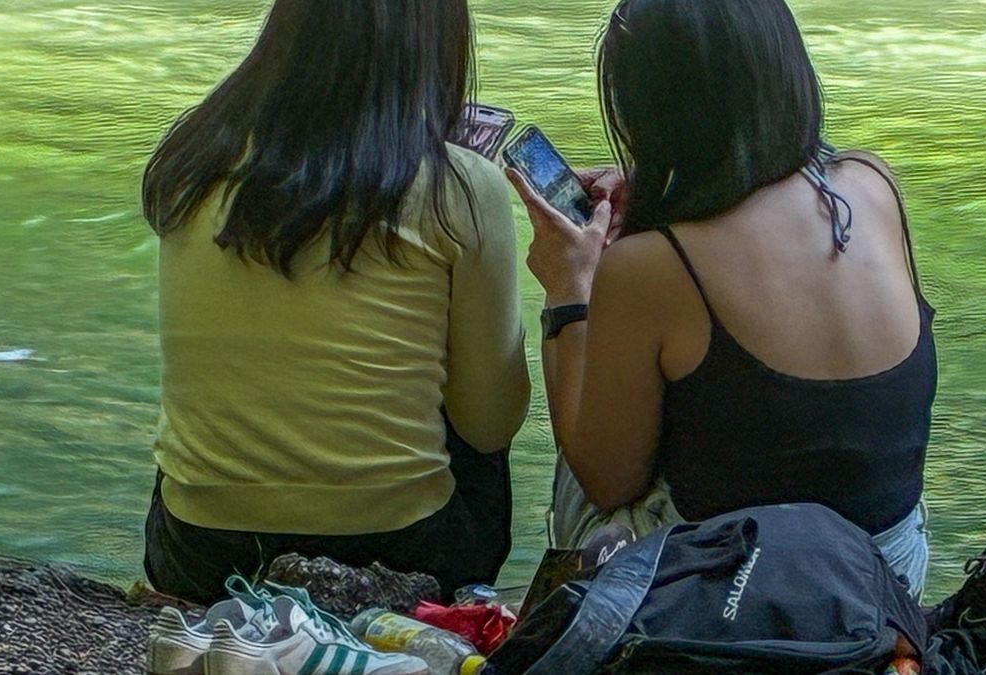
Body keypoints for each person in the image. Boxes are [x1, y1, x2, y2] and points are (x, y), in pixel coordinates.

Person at [509, 0, 936, 598]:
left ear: (650, 110)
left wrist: (567, 290)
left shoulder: (652, 267)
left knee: (591, 429)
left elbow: (607, 483)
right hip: (887, 571)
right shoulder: (873, 183)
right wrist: (662, 197)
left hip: (738, 593)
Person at [140, 0, 530, 605]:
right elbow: (489, 424)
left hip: (196, 549)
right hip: (397, 544)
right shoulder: (461, 183)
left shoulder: (192, 155)